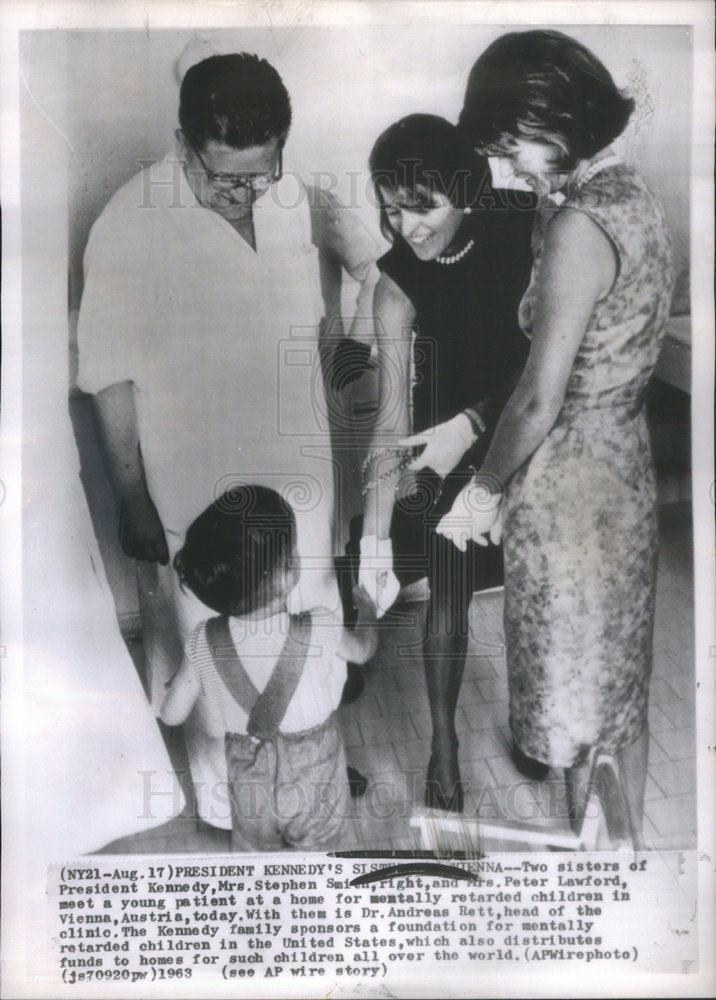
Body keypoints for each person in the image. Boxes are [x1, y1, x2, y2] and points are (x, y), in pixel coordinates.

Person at [76, 53, 378, 830]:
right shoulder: (125, 227)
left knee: (309, 626)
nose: (243, 192)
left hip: (298, 475)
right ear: (183, 143)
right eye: (222, 178)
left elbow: (342, 304)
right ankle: (224, 800)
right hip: (194, 488)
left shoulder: (293, 198)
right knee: (206, 648)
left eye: (259, 173)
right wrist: (134, 496)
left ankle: (307, 766)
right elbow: (108, 377)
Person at [438, 30, 674, 846]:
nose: (507, 169)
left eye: (512, 147)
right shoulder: (629, 193)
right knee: (615, 692)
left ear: (558, 120)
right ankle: (621, 863)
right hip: (621, 467)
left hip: (571, 485)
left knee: (580, 701)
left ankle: (604, 878)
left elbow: (540, 400)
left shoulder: (578, 224)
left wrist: (482, 490)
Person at [359, 115, 535, 811]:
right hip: (442, 444)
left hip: (531, 426)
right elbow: (390, 426)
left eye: (422, 205)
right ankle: (443, 745)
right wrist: (374, 542)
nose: (405, 228)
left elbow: (552, 361)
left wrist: (479, 424)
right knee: (450, 593)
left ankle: (535, 724)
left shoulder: (528, 226)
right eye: (390, 208)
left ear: (468, 192)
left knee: (535, 586)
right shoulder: (395, 287)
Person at [161, 486, 377, 851]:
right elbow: (363, 652)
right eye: (291, 552)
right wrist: (367, 610)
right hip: (316, 775)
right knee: (318, 852)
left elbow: (171, 715)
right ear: (284, 577)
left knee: (257, 858)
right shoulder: (319, 626)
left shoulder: (203, 640)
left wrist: (178, 682)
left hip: (250, 782)